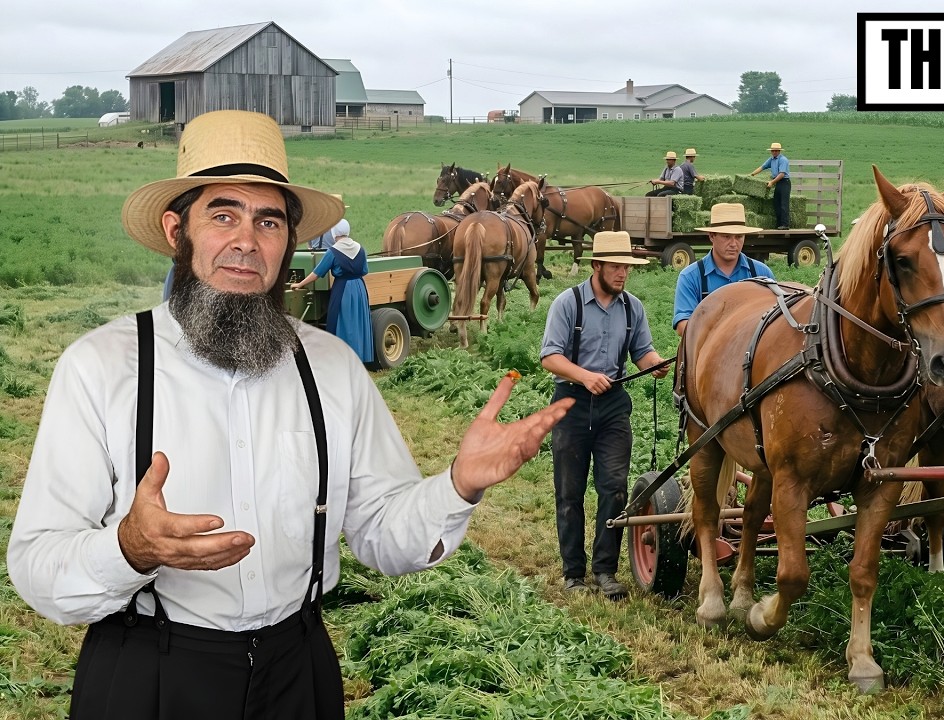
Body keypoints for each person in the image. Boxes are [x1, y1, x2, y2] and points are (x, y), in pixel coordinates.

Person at [7, 109, 572, 720]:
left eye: (268, 221)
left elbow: (382, 533)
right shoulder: (99, 367)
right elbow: (38, 566)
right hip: (150, 668)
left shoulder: (332, 368)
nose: (246, 241)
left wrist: (457, 486)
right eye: (222, 215)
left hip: (297, 670)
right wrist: (130, 549)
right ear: (177, 230)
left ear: (289, 242)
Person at [539, 231, 669, 600]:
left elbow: (642, 352)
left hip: (613, 405)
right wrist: (584, 376)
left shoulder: (633, 308)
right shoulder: (569, 304)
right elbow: (550, 356)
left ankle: (605, 571)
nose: (622, 274)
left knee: (613, 488)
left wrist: (655, 363)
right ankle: (574, 574)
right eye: (615, 266)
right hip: (571, 403)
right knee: (570, 492)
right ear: (596, 266)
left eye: (626, 267)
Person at [673, 202, 775, 336]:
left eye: (739, 237)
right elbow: (682, 325)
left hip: (752, 354)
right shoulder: (691, 276)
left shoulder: (762, 273)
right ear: (711, 236)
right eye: (726, 236)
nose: (733, 244)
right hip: (707, 354)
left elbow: (775, 319)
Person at [290, 219, 374, 364]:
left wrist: (300, 284)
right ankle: (360, 356)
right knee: (358, 321)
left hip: (342, 289)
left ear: (334, 233)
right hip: (359, 287)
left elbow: (317, 273)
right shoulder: (360, 249)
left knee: (343, 322)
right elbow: (364, 270)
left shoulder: (333, 252)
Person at [749, 141, 791, 229]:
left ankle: (785, 224)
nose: (774, 152)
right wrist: (752, 174)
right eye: (773, 151)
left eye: (776, 151)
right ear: (771, 151)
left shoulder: (783, 160)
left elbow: (782, 174)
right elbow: (762, 167)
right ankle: (779, 224)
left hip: (784, 182)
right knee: (776, 203)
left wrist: (772, 182)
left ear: (779, 151)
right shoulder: (771, 159)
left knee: (784, 204)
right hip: (777, 183)